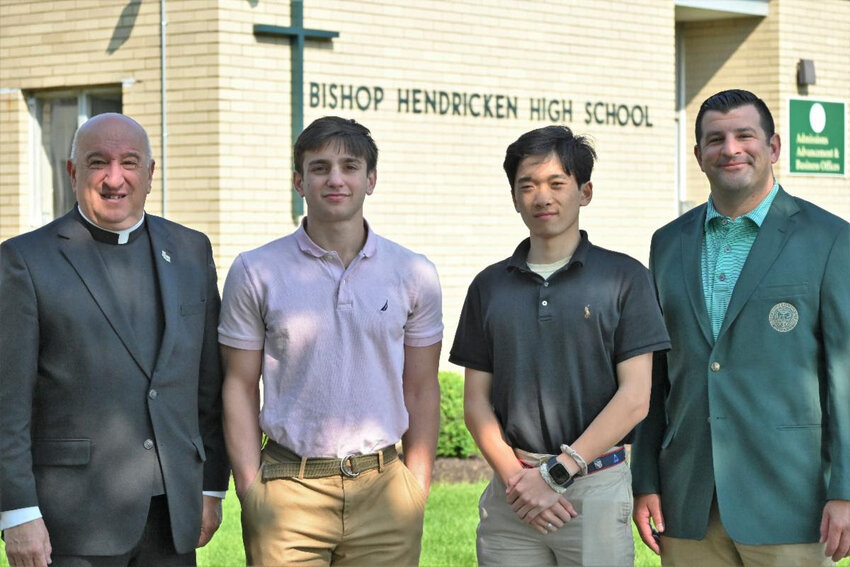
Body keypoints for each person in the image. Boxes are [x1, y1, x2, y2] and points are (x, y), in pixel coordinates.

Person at [631, 89, 850, 565]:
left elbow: (845, 377)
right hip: (688, 500)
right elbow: (657, 375)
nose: (730, 148)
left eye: (744, 135)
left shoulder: (830, 239)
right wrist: (645, 480)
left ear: (773, 148)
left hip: (791, 501)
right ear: (698, 155)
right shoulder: (667, 243)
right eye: (715, 139)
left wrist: (846, 490)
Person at [0, 113, 230, 566]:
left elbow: (209, 383)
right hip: (71, 521)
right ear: (72, 173)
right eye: (97, 162)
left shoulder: (190, 251)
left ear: (149, 173)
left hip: (171, 515)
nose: (113, 178)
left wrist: (211, 486)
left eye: (128, 162)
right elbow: (7, 401)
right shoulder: (24, 261)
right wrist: (18, 511)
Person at [219, 116, 442, 566]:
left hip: (385, 492)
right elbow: (239, 385)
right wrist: (250, 487)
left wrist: (416, 486)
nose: (335, 179)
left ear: (371, 179)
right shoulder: (255, 271)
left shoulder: (414, 273)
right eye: (319, 168)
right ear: (299, 182)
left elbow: (421, 386)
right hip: (287, 490)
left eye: (350, 166)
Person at [450, 125, 671, 566]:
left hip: (593, 489)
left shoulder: (624, 278)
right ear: (514, 197)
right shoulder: (489, 286)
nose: (541, 197)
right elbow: (475, 402)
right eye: (527, 185)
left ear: (584, 192)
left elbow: (635, 398)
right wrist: (520, 479)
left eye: (557, 183)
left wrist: (554, 474)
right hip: (512, 494)